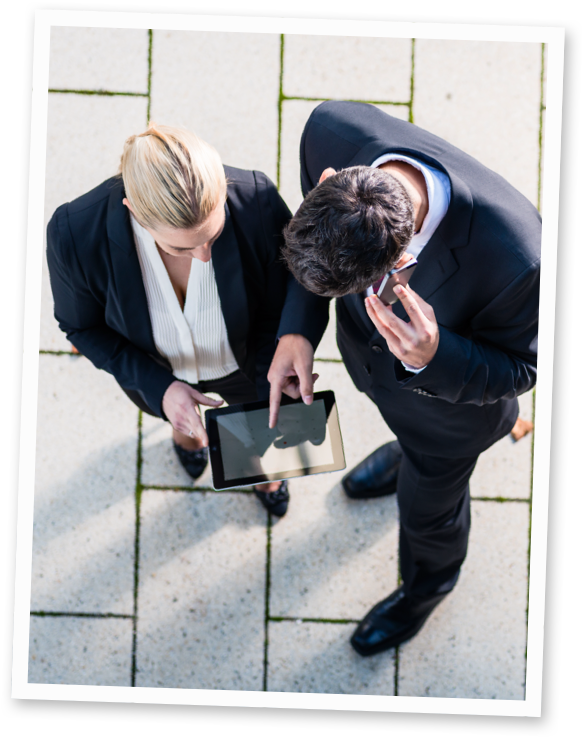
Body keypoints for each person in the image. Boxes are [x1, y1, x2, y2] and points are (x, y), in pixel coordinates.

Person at [273, 100, 540, 655]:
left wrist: (434, 355)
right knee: (397, 435)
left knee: (428, 519)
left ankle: (423, 593)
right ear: (328, 180)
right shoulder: (329, 132)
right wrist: (297, 329)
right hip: (375, 374)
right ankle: (401, 455)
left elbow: (522, 367)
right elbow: (315, 241)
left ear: (401, 261)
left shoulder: (522, 260)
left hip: (450, 421)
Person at [46, 123, 327, 518]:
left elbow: (300, 274)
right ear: (136, 213)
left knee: (263, 438)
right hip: (157, 367)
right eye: (181, 246)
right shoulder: (73, 233)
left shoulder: (256, 198)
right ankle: (189, 441)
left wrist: (294, 336)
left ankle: (265, 475)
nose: (204, 257)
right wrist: (160, 389)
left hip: (250, 362)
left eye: (213, 235)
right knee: (184, 420)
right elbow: (82, 327)